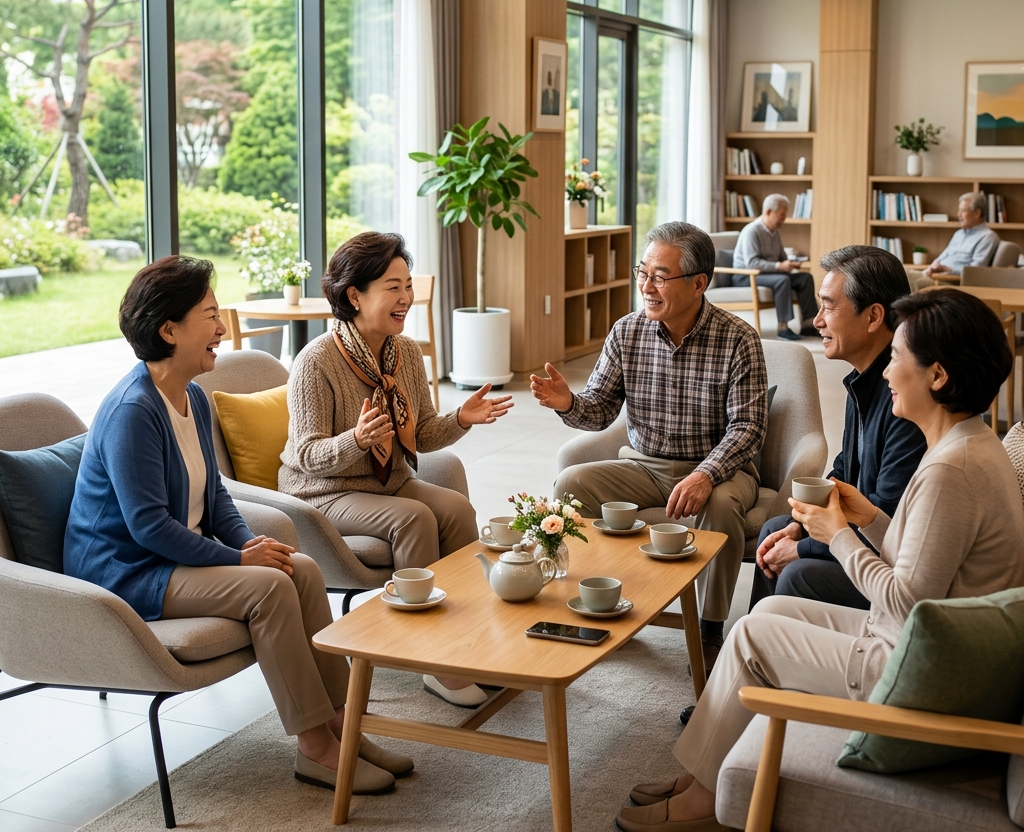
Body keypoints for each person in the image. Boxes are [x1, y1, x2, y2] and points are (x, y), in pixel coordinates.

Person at [617, 287, 1024, 832]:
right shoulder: (969, 444)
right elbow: (923, 561)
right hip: (928, 646)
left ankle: (705, 804)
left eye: (899, 358)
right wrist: (872, 518)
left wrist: (839, 537)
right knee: (775, 606)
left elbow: (907, 604)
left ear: (936, 376)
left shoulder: (951, 470)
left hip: (916, 669)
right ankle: (702, 776)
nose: (887, 374)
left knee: (752, 638)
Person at [64, 256, 410, 796]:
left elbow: (214, 494)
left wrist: (250, 541)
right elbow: (148, 527)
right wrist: (237, 559)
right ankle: (315, 749)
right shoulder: (133, 410)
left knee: (301, 569)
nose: (222, 328)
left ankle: (343, 727)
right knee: (270, 587)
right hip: (128, 569)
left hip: (173, 555)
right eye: (209, 315)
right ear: (169, 329)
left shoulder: (191, 396)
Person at [279, 231, 512, 709]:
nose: (406, 297)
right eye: (392, 286)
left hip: (388, 483)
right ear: (354, 295)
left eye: (407, 285)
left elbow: (421, 433)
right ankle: (428, 659)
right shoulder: (315, 361)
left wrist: (461, 420)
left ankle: (470, 642)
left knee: (455, 508)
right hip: (323, 491)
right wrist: (357, 440)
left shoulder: (403, 353)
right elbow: (305, 455)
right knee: (414, 517)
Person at [532, 222, 768, 672]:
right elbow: (599, 411)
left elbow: (748, 428)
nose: (646, 286)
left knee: (718, 504)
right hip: (643, 465)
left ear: (700, 283)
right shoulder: (627, 332)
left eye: (661, 276)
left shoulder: (739, 338)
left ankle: (710, 629)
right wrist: (568, 403)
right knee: (570, 483)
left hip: (719, 468)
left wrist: (706, 473)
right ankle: (595, 598)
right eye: (643, 272)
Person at [749, 246, 927, 610]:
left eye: (829, 306)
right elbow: (845, 469)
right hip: (860, 531)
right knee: (775, 529)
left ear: (874, 316)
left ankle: (773, 647)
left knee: (797, 572)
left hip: (892, 557)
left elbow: (888, 516)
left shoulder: (904, 399)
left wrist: (803, 546)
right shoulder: (860, 382)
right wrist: (800, 525)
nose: (817, 321)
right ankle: (761, 647)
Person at [733, 193, 818, 341]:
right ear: (768, 212)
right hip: (746, 276)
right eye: (782, 215)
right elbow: (752, 263)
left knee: (805, 278)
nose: (784, 220)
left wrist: (791, 263)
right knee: (782, 280)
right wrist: (780, 266)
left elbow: (782, 258)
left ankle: (808, 325)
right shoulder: (752, 231)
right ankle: (783, 328)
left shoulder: (775, 232)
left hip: (770, 274)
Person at [907, 191, 999, 290]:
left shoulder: (987, 237)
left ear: (977, 213)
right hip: (936, 276)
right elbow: (942, 257)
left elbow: (975, 270)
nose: (958, 215)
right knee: (902, 274)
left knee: (910, 281)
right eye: (959, 210)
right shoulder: (959, 234)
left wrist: (948, 269)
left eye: (963, 211)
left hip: (952, 282)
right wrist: (931, 268)